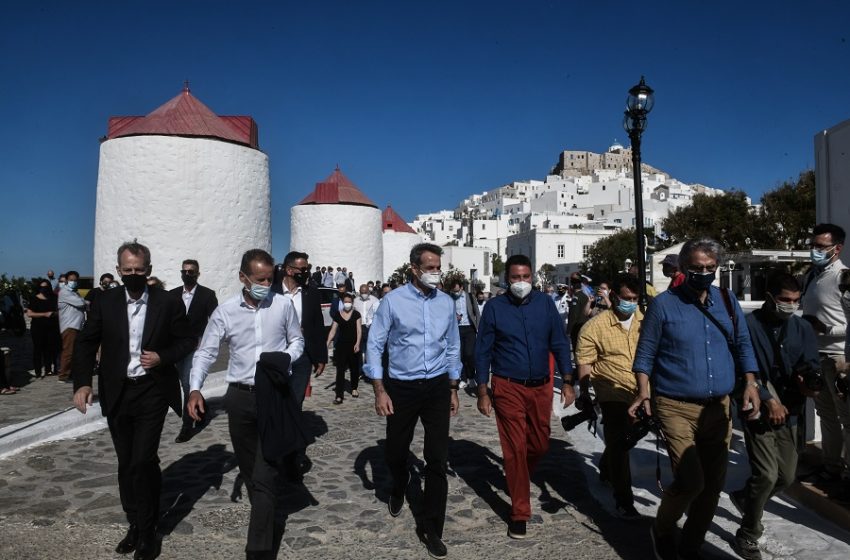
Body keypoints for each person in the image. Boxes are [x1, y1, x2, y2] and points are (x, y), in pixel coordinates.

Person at [629, 238, 761, 560]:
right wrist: (643, 391)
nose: (703, 273)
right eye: (696, 268)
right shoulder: (664, 304)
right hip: (675, 406)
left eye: (709, 268)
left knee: (712, 486)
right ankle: (661, 528)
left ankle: (690, 545)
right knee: (691, 481)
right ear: (683, 268)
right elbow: (645, 353)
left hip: (719, 408)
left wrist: (751, 383)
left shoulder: (728, 303)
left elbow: (743, 345)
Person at [72, 241, 195, 560]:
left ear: (149, 270)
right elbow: (86, 343)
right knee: (126, 462)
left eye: (139, 270)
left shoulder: (167, 303)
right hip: (117, 391)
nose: (133, 275)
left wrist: (162, 356)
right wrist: (83, 383)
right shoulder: (104, 301)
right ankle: (134, 522)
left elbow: (187, 340)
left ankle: (148, 531)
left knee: (143, 459)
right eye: (127, 271)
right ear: (118, 271)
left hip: (151, 391)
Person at [187, 249, 304, 560]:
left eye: (270, 278)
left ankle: (259, 550)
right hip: (238, 399)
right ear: (243, 278)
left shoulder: (282, 305)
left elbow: (298, 341)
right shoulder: (225, 312)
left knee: (265, 475)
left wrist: (285, 359)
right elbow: (206, 353)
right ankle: (265, 515)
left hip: (273, 397)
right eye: (260, 279)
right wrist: (195, 389)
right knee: (252, 472)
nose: (266, 284)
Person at [365, 242, 460, 560]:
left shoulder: (447, 303)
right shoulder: (392, 302)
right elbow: (375, 345)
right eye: (430, 267)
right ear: (414, 269)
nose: (436, 273)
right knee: (395, 450)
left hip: (435, 388)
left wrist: (453, 386)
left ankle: (432, 528)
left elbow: (453, 346)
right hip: (401, 387)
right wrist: (380, 389)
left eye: (438, 267)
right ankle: (399, 479)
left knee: (437, 459)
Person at [474, 253, 573, 539]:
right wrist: (483, 390)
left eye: (525, 277)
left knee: (540, 444)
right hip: (508, 387)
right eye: (515, 278)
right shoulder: (494, 308)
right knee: (514, 448)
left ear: (533, 277)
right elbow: (482, 351)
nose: (521, 282)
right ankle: (519, 512)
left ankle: (517, 475)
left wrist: (567, 380)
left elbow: (559, 342)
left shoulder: (545, 304)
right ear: (507, 280)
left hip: (541, 386)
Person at [729, 271, 820, 560]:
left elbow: (809, 363)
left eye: (795, 300)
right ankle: (748, 534)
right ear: (770, 298)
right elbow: (741, 371)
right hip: (757, 406)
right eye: (784, 299)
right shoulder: (747, 326)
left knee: (786, 476)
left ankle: (746, 497)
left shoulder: (801, 328)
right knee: (766, 475)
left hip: (791, 410)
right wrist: (767, 400)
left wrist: (809, 382)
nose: (790, 305)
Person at [574, 273, 643, 520]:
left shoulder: (645, 321)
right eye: (627, 298)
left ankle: (606, 464)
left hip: (642, 391)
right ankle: (624, 500)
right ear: (614, 296)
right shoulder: (595, 326)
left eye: (635, 298)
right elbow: (584, 361)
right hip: (611, 390)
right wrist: (584, 392)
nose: (631, 303)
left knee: (628, 438)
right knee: (620, 443)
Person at [800, 223, 849, 485]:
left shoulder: (844, 278)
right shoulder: (812, 276)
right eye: (813, 245)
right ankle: (831, 468)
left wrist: (827, 327)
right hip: (816, 357)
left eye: (820, 246)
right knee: (827, 416)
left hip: (840, 359)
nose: (814, 250)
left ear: (837, 248)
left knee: (846, 418)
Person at [273, 251, 327, 478]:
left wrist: (320, 356)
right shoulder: (272, 292)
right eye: (301, 269)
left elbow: (316, 325)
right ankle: (275, 447)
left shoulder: (311, 293)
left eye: (307, 267)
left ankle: (292, 454)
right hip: (276, 356)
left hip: (302, 357)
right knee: (276, 403)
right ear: (288, 269)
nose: (306, 272)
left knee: (295, 403)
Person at [169, 259, 218, 444]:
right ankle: (202, 409)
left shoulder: (207, 295)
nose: (187, 274)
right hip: (175, 347)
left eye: (191, 272)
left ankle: (186, 426)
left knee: (188, 385)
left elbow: (214, 321)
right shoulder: (172, 295)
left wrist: (204, 341)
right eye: (185, 271)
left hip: (195, 347)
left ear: (198, 274)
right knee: (185, 382)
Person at [326, 293, 362, 403]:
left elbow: (359, 330)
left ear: (352, 303)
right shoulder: (338, 314)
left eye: (349, 302)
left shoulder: (356, 314)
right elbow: (333, 330)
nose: (347, 304)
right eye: (345, 301)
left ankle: (354, 387)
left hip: (353, 345)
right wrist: (327, 343)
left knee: (354, 368)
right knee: (340, 370)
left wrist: (358, 343)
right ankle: (339, 395)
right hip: (341, 345)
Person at [447, 279, 480, 390]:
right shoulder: (450, 298)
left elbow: (477, 312)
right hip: (456, 329)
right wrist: (454, 316)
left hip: (469, 328)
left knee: (469, 354)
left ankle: (472, 377)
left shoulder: (470, 297)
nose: (455, 293)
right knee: (459, 355)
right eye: (453, 291)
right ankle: (463, 378)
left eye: (457, 290)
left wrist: (479, 328)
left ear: (461, 288)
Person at [25, 278, 60, 379]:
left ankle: (48, 369)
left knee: (49, 349)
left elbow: (59, 310)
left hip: (52, 327)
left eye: (46, 287)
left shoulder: (53, 298)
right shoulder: (34, 298)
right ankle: (38, 371)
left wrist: (54, 314)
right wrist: (44, 314)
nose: (44, 289)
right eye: (42, 287)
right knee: (38, 349)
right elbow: (29, 313)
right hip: (38, 328)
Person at [57, 269, 86, 383]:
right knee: (68, 352)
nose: (73, 282)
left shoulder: (75, 292)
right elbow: (81, 303)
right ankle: (63, 375)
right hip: (69, 326)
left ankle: (70, 373)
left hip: (76, 325)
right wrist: (84, 302)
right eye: (71, 280)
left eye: (75, 280)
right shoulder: (65, 292)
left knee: (74, 352)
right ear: (66, 281)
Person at [354, 284, 379, 365]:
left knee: (370, 348)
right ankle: (361, 368)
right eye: (362, 292)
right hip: (359, 327)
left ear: (368, 291)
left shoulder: (375, 300)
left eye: (365, 292)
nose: (363, 294)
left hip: (370, 327)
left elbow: (378, 314)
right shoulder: (355, 301)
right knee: (360, 348)